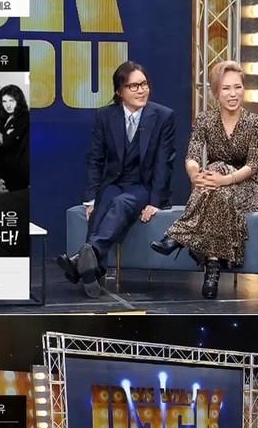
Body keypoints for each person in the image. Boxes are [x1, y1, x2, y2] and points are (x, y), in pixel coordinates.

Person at [57, 61, 176, 298]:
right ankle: (92, 269)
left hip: (142, 186)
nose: (141, 90)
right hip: (114, 182)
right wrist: (90, 198)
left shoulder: (163, 116)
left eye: (144, 84)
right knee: (103, 205)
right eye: (134, 86)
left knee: (121, 203)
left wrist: (156, 201)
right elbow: (96, 159)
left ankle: (83, 259)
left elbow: (165, 163)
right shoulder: (105, 116)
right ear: (120, 91)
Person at [150, 60, 258, 299]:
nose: (233, 94)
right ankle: (213, 264)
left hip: (248, 187)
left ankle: (178, 235)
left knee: (217, 169)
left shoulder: (255, 123)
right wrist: (195, 175)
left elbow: (252, 166)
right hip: (215, 187)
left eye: (237, 87)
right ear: (216, 92)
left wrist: (223, 179)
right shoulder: (205, 120)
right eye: (226, 88)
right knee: (214, 176)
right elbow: (192, 156)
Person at [0, 84, 29, 192]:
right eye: (4, 101)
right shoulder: (6, 119)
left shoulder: (25, 117)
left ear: (18, 101)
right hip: (6, 172)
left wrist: (1, 139)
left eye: (11, 101)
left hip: (19, 173)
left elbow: (9, 143)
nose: (8, 105)